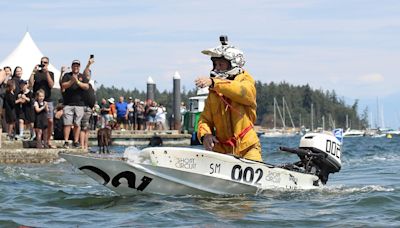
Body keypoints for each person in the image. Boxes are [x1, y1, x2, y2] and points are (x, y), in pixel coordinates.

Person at [195, 36, 263, 162]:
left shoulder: (246, 82)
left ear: (233, 65)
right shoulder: (214, 92)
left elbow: (242, 92)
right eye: (215, 64)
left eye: (220, 64)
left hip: (247, 149)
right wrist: (205, 135)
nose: (216, 68)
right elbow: (205, 119)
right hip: (222, 152)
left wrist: (214, 82)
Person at [61, 60, 90, 148]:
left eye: (77, 66)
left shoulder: (82, 76)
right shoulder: (67, 75)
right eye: (74, 66)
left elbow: (86, 86)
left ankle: (76, 141)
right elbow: (63, 85)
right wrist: (72, 81)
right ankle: (66, 141)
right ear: (72, 66)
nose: (76, 67)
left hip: (79, 104)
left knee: (77, 124)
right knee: (67, 123)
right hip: (68, 103)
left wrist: (77, 81)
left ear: (79, 67)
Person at [29, 57, 56, 148]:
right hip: (37, 99)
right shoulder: (36, 73)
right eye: (42, 62)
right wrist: (33, 72)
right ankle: (38, 140)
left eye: (45, 62)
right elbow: (30, 84)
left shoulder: (50, 73)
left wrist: (47, 72)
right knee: (37, 121)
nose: (43, 64)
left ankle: (48, 140)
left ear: (48, 63)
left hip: (47, 99)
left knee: (50, 120)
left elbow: (51, 85)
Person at [80, 58, 95, 150]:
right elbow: (84, 72)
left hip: (89, 108)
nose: (88, 75)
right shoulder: (83, 82)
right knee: (83, 128)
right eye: (87, 74)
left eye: (89, 74)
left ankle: (86, 145)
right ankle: (82, 146)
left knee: (87, 128)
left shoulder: (91, 84)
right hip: (83, 107)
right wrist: (88, 64)